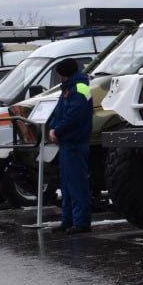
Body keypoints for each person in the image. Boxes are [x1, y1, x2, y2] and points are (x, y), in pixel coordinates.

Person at [47, 58, 94, 234]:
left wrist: (57, 130)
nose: (58, 76)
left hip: (75, 142)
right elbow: (60, 112)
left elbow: (75, 115)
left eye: (59, 73)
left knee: (76, 184)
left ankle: (81, 222)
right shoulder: (68, 88)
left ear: (65, 73)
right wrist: (53, 127)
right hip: (67, 143)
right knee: (66, 185)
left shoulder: (79, 88)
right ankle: (68, 220)